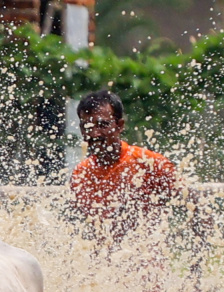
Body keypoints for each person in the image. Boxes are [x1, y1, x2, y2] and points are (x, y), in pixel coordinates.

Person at [71, 89, 181, 246]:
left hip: (148, 264)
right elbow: (80, 229)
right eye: (87, 126)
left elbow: (193, 206)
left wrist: (196, 264)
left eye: (102, 125)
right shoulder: (81, 174)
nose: (94, 133)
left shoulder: (149, 163)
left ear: (120, 125)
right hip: (104, 264)